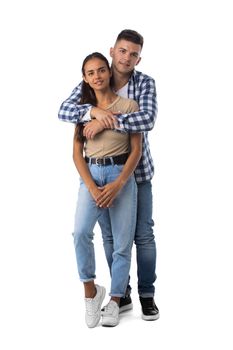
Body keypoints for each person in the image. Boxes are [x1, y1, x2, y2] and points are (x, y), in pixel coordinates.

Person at [58, 29, 159, 321]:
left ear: (139, 58)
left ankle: (147, 295)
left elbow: (147, 119)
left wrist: (105, 122)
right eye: (123, 51)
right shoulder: (93, 81)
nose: (127, 57)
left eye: (134, 53)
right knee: (108, 236)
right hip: (98, 171)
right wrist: (92, 111)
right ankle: (120, 294)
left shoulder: (143, 85)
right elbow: (64, 111)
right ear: (113, 50)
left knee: (142, 235)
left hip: (136, 172)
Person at [72, 52, 142, 327]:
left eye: (102, 70)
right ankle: (91, 292)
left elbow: (136, 150)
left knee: (122, 243)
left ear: (108, 72)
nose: (97, 76)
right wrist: (91, 186)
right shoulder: (83, 109)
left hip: (120, 174)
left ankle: (115, 300)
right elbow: (77, 153)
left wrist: (119, 183)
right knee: (80, 232)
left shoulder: (128, 105)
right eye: (91, 73)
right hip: (91, 175)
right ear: (85, 78)